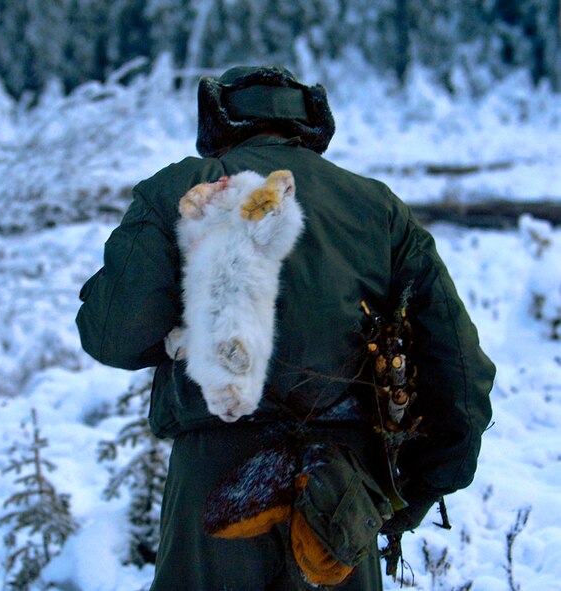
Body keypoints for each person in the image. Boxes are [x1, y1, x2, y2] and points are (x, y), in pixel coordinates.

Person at [76, 65, 495, 590]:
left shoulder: (180, 191)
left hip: (213, 486)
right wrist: (410, 492)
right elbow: (459, 368)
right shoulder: (377, 208)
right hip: (342, 491)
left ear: (219, 117)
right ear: (312, 122)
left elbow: (112, 333)